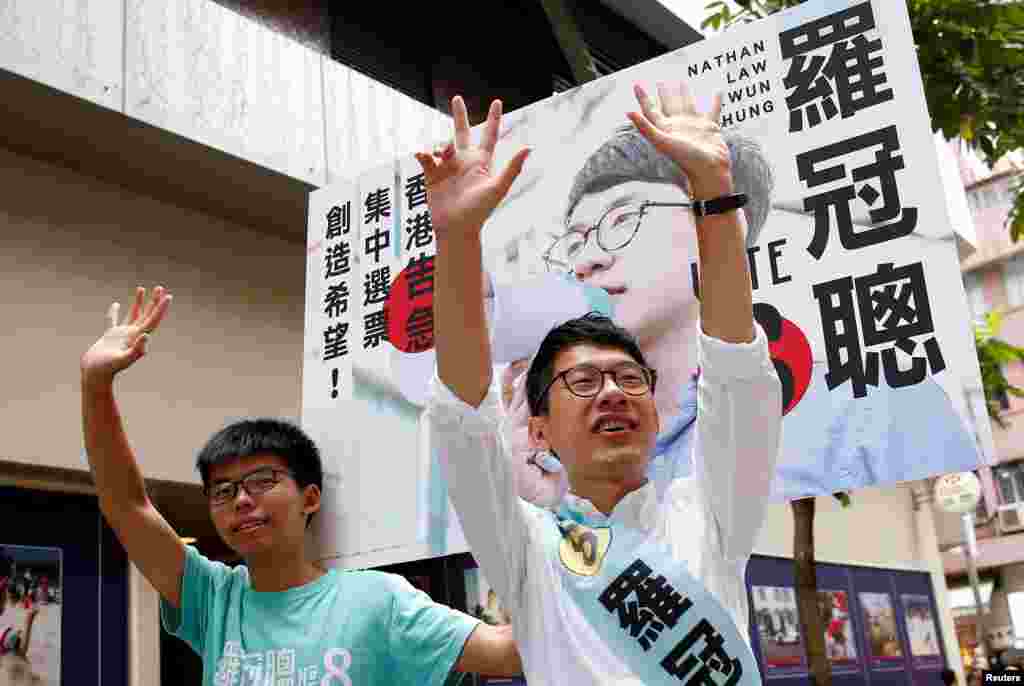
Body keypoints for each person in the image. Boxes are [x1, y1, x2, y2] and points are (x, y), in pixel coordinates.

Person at [421, 82, 780, 685]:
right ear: (538, 426)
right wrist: (457, 239)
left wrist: (714, 192)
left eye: (628, 379)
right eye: (582, 381)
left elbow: (736, 373)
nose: (612, 392)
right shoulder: (526, 546)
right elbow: (462, 414)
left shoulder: (709, 512)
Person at [80, 287, 522, 685]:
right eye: (224, 490)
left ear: (310, 497)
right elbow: (126, 505)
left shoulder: (376, 602)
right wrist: (96, 384)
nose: (242, 500)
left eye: (262, 481)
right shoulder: (213, 599)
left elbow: (507, 654)